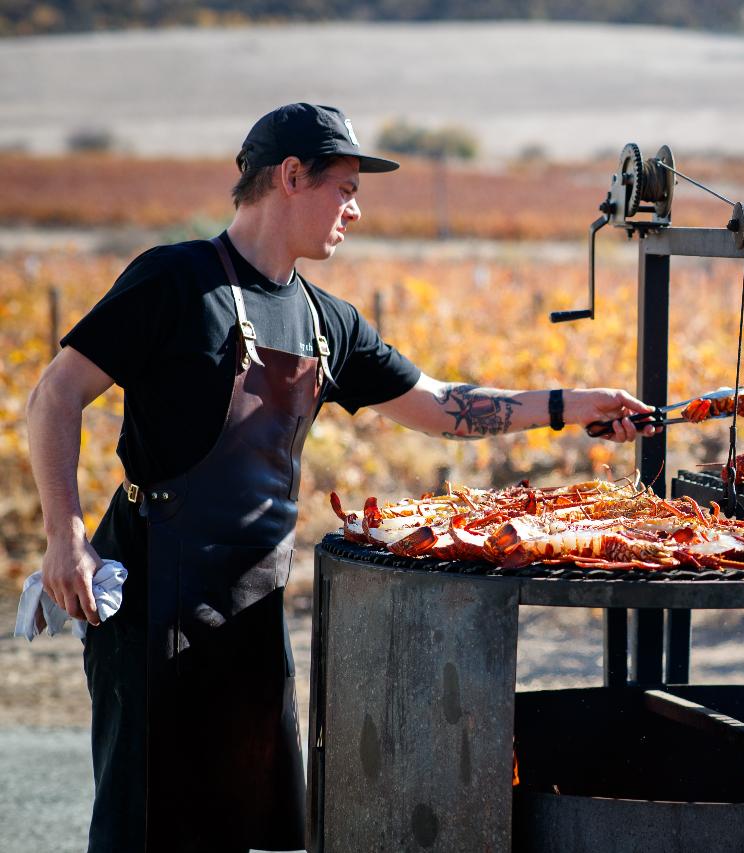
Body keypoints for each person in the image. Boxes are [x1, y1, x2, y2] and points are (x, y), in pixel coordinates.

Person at [25, 102, 655, 852]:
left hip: (254, 615)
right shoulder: (173, 281)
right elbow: (55, 395)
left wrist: (571, 405)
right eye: (346, 187)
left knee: (242, 828)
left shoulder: (331, 323)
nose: (355, 210)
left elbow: (442, 406)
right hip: (153, 606)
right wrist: (65, 534)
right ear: (291, 176)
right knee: (144, 830)